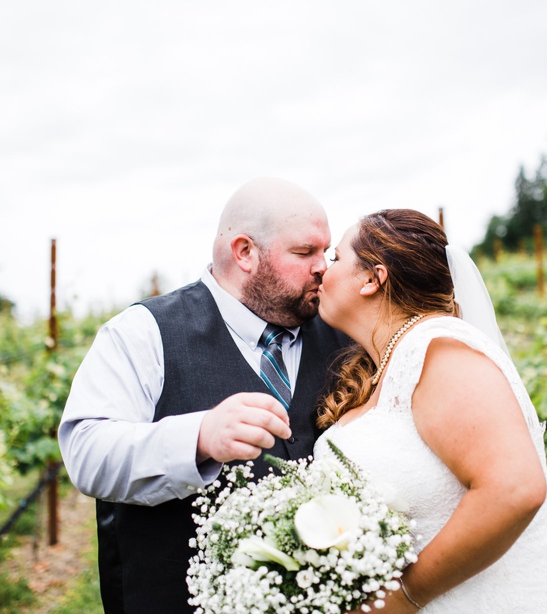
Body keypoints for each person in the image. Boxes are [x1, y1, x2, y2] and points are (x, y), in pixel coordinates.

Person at [58, 177, 351, 614]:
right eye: (304, 252)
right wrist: (198, 437)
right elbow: (86, 452)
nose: (322, 267)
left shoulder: (343, 335)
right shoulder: (142, 333)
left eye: (325, 252)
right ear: (245, 252)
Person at [314, 209, 547, 613]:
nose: (321, 272)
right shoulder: (387, 368)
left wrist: (402, 598)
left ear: (372, 278)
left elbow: (515, 488)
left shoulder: (438, 349)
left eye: (335, 258)